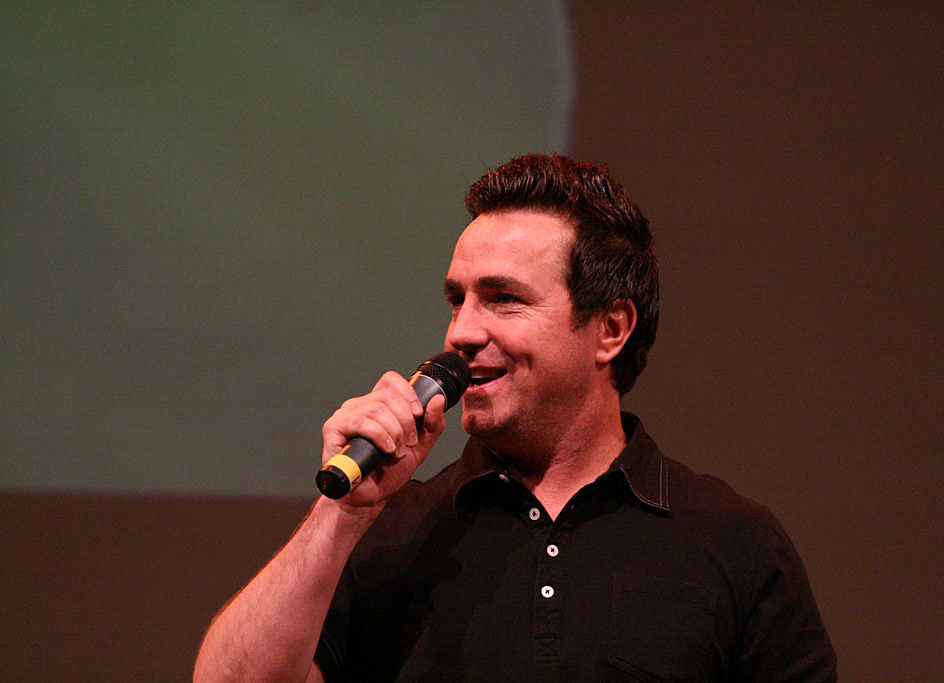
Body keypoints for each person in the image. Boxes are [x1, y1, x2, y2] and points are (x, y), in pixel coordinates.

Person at [194, 154, 836, 681]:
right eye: (458, 300)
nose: (462, 332)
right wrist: (341, 515)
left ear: (611, 328)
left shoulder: (735, 541)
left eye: (503, 299)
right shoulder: (388, 536)